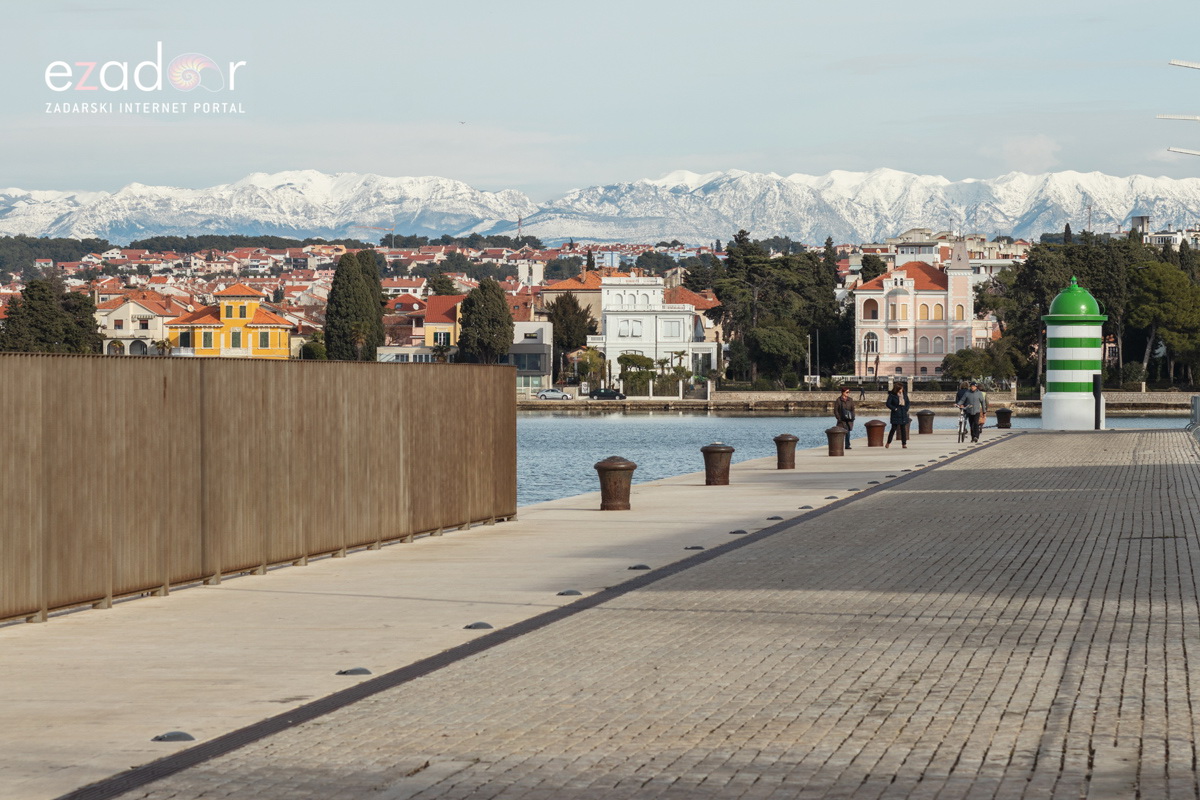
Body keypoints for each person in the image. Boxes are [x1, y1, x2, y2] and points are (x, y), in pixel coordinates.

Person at [885, 383, 911, 448]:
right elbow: (888, 404)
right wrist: (895, 409)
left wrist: (906, 409)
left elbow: (908, 402)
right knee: (893, 429)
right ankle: (888, 442)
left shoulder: (904, 395)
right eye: (900, 388)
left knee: (903, 429)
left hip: (903, 413)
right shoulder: (892, 395)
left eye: (902, 388)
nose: (902, 390)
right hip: (895, 414)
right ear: (897, 389)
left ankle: (904, 444)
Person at [833, 385, 856, 449]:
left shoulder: (850, 400)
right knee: (840, 433)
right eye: (847, 392)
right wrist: (838, 418)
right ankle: (839, 445)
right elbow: (835, 410)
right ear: (843, 392)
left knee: (847, 432)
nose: (848, 393)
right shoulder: (838, 400)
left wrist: (852, 417)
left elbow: (852, 409)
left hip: (849, 419)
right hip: (841, 419)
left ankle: (847, 445)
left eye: (848, 392)